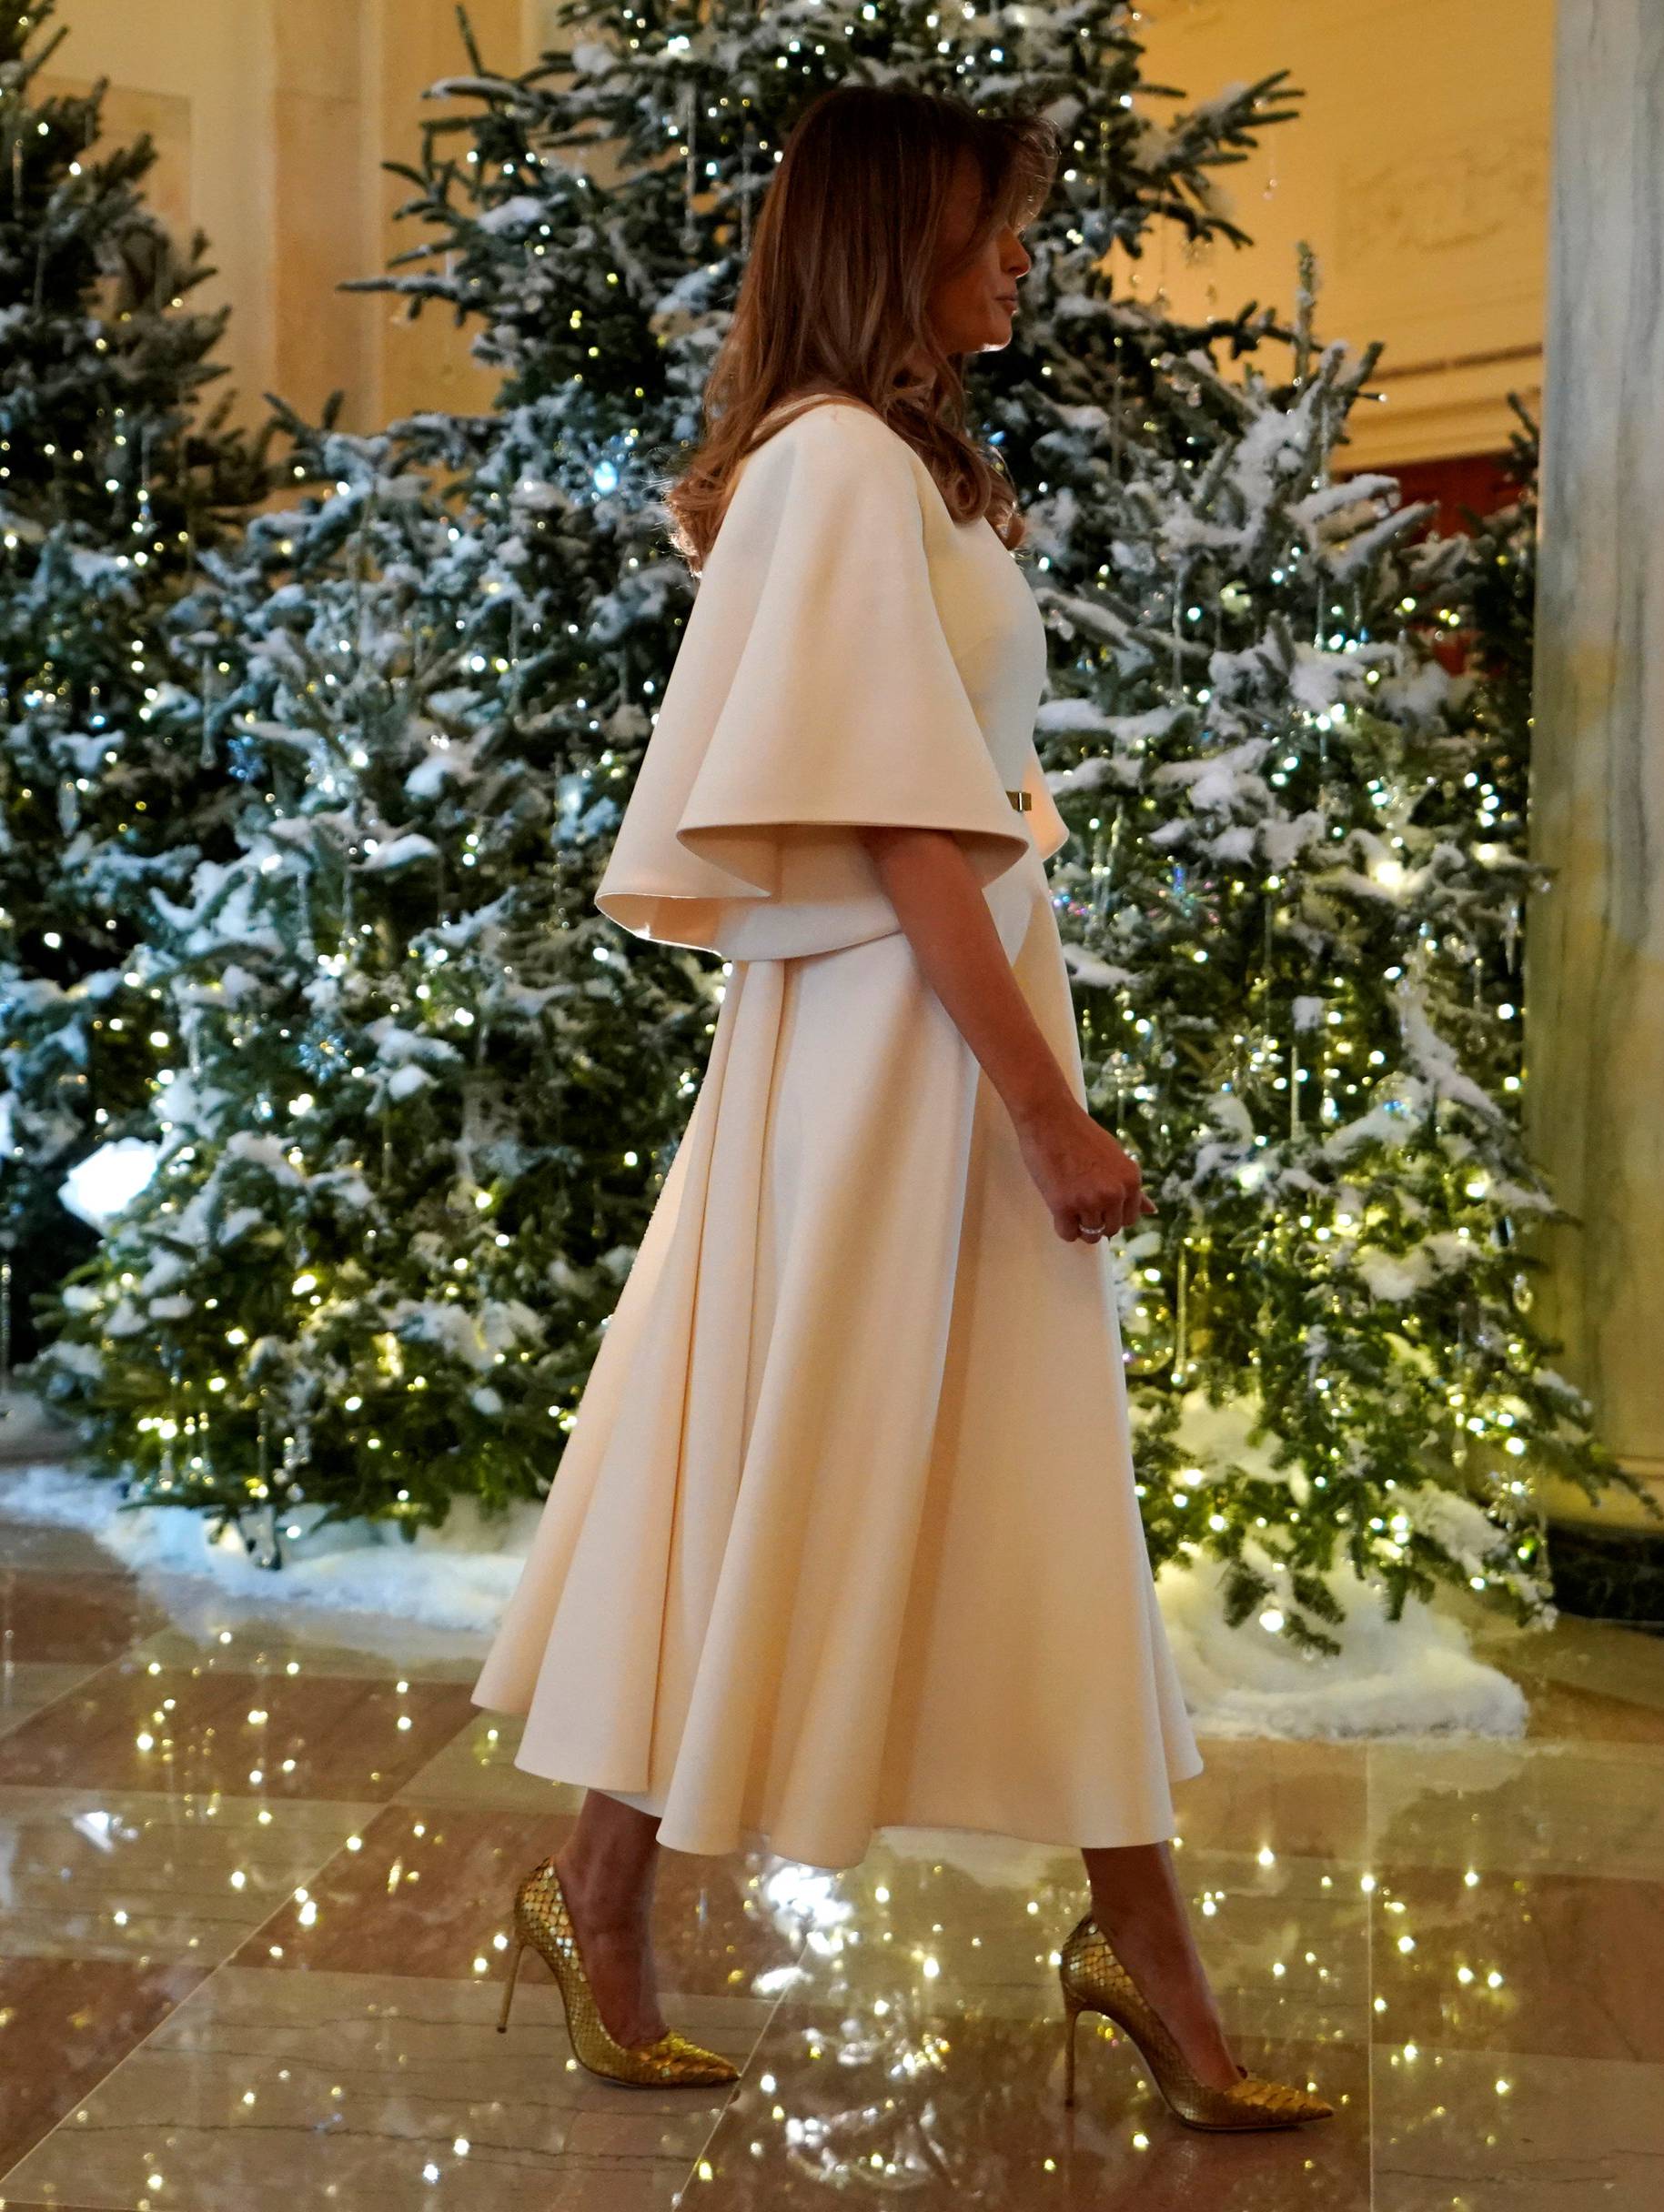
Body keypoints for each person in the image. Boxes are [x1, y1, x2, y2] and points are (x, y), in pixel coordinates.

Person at [474, 82, 1332, 2131]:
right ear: (892, 241)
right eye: (990, 220)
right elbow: (894, 820)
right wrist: (1047, 1111)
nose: (1023, 252)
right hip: (896, 1055)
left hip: (923, 1037)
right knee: (806, 1440)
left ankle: (1124, 1948)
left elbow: (952, 805)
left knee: (927, 1456)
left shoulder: (902, 469)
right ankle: (616, 1894)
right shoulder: (840, 460)